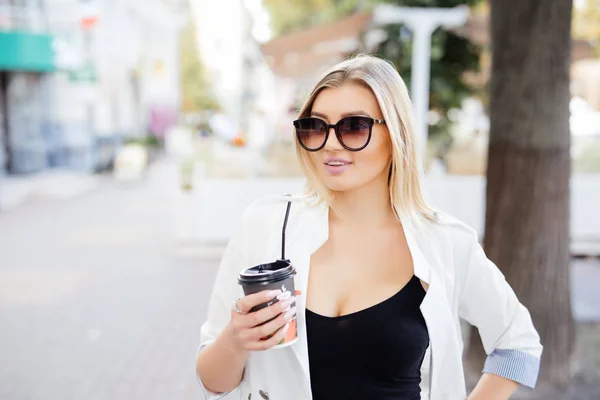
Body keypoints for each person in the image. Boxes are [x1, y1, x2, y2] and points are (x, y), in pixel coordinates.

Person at [195, 55, 542, 400]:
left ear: (395, 135)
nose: (330, 143)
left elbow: (518, 344)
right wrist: (237, 338)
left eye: (354, 126)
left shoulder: (444, 242)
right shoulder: (266, 226)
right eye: (316, 126)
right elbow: (214, 381)